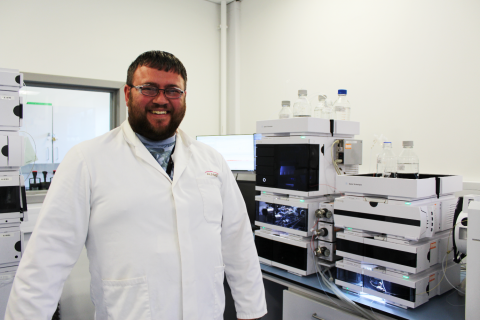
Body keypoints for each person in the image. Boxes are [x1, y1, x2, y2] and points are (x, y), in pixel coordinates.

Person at [5, 51, 267, 320]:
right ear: (128, 93)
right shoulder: (87, 160)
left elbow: (239, 244)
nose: (161, 99)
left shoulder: (212, 161)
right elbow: (46, 260)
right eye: (149, 88)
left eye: (173, 90)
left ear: (184, 97)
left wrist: (252, 312)